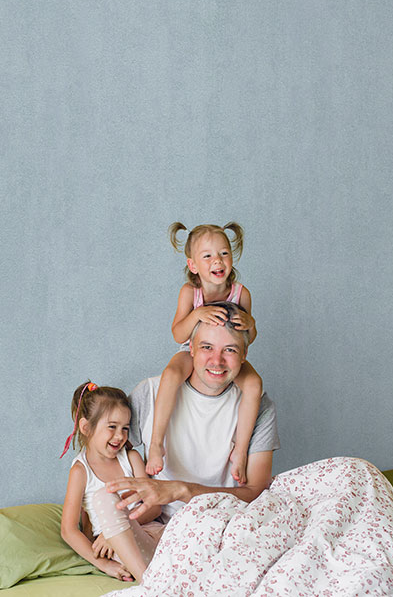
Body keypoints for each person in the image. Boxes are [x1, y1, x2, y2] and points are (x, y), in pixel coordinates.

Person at [103, 303, 279, 526]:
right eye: (207, 347)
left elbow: (255, 493)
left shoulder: (258, 406)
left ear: (244, 355)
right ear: (191, 348)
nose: (217, 361)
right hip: (158, 524)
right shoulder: (151, 393)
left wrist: (182, 491)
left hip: (227, 525)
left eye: (230, 350)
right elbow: (106, 456)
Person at [145, 222, 263, 486]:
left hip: (229, 354)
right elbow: (178, 334)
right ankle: (156, 443)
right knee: (171, 374)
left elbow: (250, 339)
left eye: (224, 253)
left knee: (254, 384)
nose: (217, 260)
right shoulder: (191, 293)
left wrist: (250, 324)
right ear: (193, 265)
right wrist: (197, 314)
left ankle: (240, 450)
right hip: (192, 351)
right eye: (207, 256)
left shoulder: (241, 293)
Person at [60, 382, 165, 582]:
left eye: (125, 428)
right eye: (112, 427)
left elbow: (154, 507)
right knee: (105, 497)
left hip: (151, 535)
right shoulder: (81, 471)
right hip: (121, 548)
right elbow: (68, 530)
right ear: (86, 427)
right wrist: (103, 564)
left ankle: (168, 574)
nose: (120, 436)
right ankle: (151, 583)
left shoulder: (131, 458)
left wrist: (115, 530)